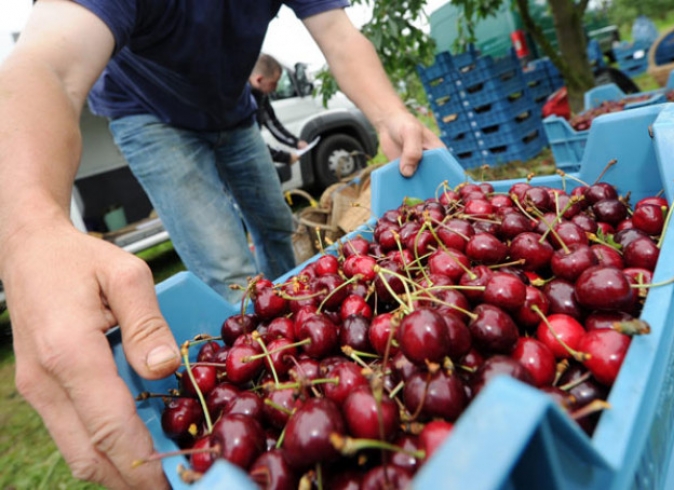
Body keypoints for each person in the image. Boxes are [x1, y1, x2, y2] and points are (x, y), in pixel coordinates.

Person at [0, 1, 443, 489]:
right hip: (150, 116)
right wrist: (29, 231)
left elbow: (337, 33)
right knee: (228, 267)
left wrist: (391, 113)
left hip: (233, 111)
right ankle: (263, 364)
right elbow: (47, 66)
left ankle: (287, 332)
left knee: (277, 227)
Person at [249, 53, 309, 166]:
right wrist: (284, 157)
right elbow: (251, 143)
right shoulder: (243, 102)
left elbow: (272, 124)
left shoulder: (261, 96)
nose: (276, 88)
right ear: (259, 80)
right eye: (273, 83)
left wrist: (296, 142)